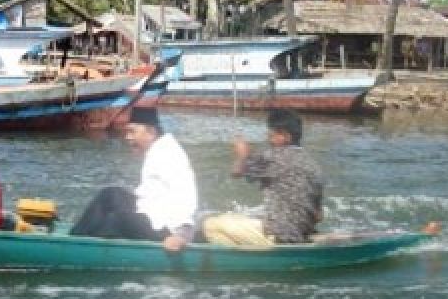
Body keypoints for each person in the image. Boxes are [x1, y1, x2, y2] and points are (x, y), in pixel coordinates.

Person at [70, 106, 197, 252]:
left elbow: (186, 195)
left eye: (132, 132)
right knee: (111, 194)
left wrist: (182, 235)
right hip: (149, 214)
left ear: (151, 132)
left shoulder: (170, 155)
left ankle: (81, 250)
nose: (127, 137)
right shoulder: (157, 149)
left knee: (116, 220)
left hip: (165, 230)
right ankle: (74, 238)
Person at [202, 109, 324, 246]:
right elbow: (318, 216)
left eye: (271, 135)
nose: (268, 139)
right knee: (238, 217)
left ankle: (247, 262)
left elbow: (236, 172)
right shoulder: (314, 166)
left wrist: (242, 154)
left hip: (279, 236)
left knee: (210, 225)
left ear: (284, 136)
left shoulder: (273, 157)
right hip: (302, 233)